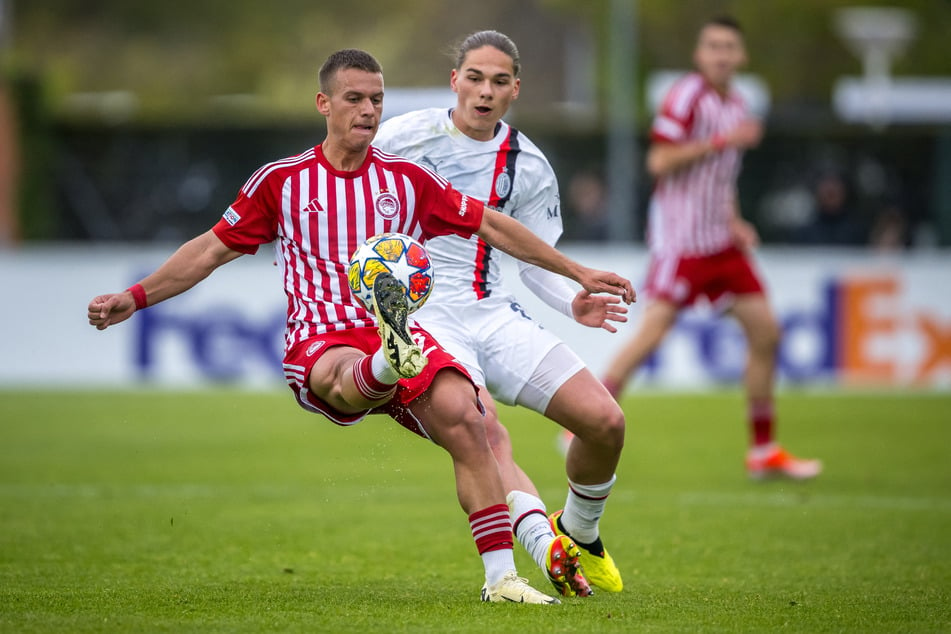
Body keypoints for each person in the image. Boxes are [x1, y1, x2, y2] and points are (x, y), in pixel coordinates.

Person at [87, 49, 634, 605]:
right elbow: (208, 250)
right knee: (349, 374)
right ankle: (384, 361)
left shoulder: (408, 179)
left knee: (468, 420)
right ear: (324, 104)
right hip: (321, 343)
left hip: (401, 335)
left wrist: (578, 272)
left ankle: (502, 580)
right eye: (354, 99)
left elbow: (493, 225)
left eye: (376, 99)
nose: (368, 110)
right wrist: (136, 297)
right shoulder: (282, 182)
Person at [375, 30, 628, 596]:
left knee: (606, 423)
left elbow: (534, 259)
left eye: (497, 81)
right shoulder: (401, 138)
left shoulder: (529, 164)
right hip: (424, 315)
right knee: (484, 426)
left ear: (515, 89)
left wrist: (572, 300)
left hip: (492, 311)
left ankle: (580, 532)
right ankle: (540, 549)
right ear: (454, 81)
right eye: (474, 78)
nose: (484, 92)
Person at [600, 16, 822, 480]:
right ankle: (588, 418)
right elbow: (659, 160)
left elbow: (722, 177)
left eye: (729, 47)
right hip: (681, 243)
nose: (721, 55)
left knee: (767, 333)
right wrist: (720, 140)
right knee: (653, 333)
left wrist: (735, 220)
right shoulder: (686, 97)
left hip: (721, 244)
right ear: (700, 55)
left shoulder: (738, 103)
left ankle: (763, 452)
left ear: (740, 56)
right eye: (713, 46)